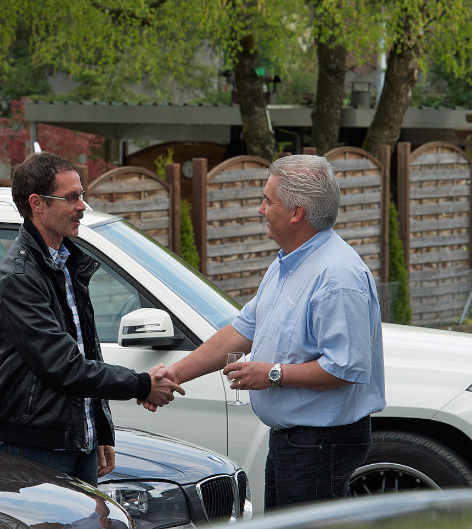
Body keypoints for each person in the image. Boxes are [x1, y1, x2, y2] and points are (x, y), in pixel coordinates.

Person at [153, 154, 385, 511]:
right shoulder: (288, 263)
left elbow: (347, 368)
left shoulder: (337, 277)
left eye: (268, 200)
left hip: (321, 444)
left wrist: (273, 374)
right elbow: (240, 332)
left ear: (297, 212)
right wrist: (173, 374)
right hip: (296, 442)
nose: (261, 209)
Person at [0, 151, 184, 487]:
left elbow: (87, 352)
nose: (82, 206)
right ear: (37, 204)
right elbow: (63, 366)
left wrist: (98, 428)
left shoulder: (67, 263)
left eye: (82, 195)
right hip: (35, 448)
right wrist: (142, 383)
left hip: (76, 443)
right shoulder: (19, 277)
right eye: (71, 197)